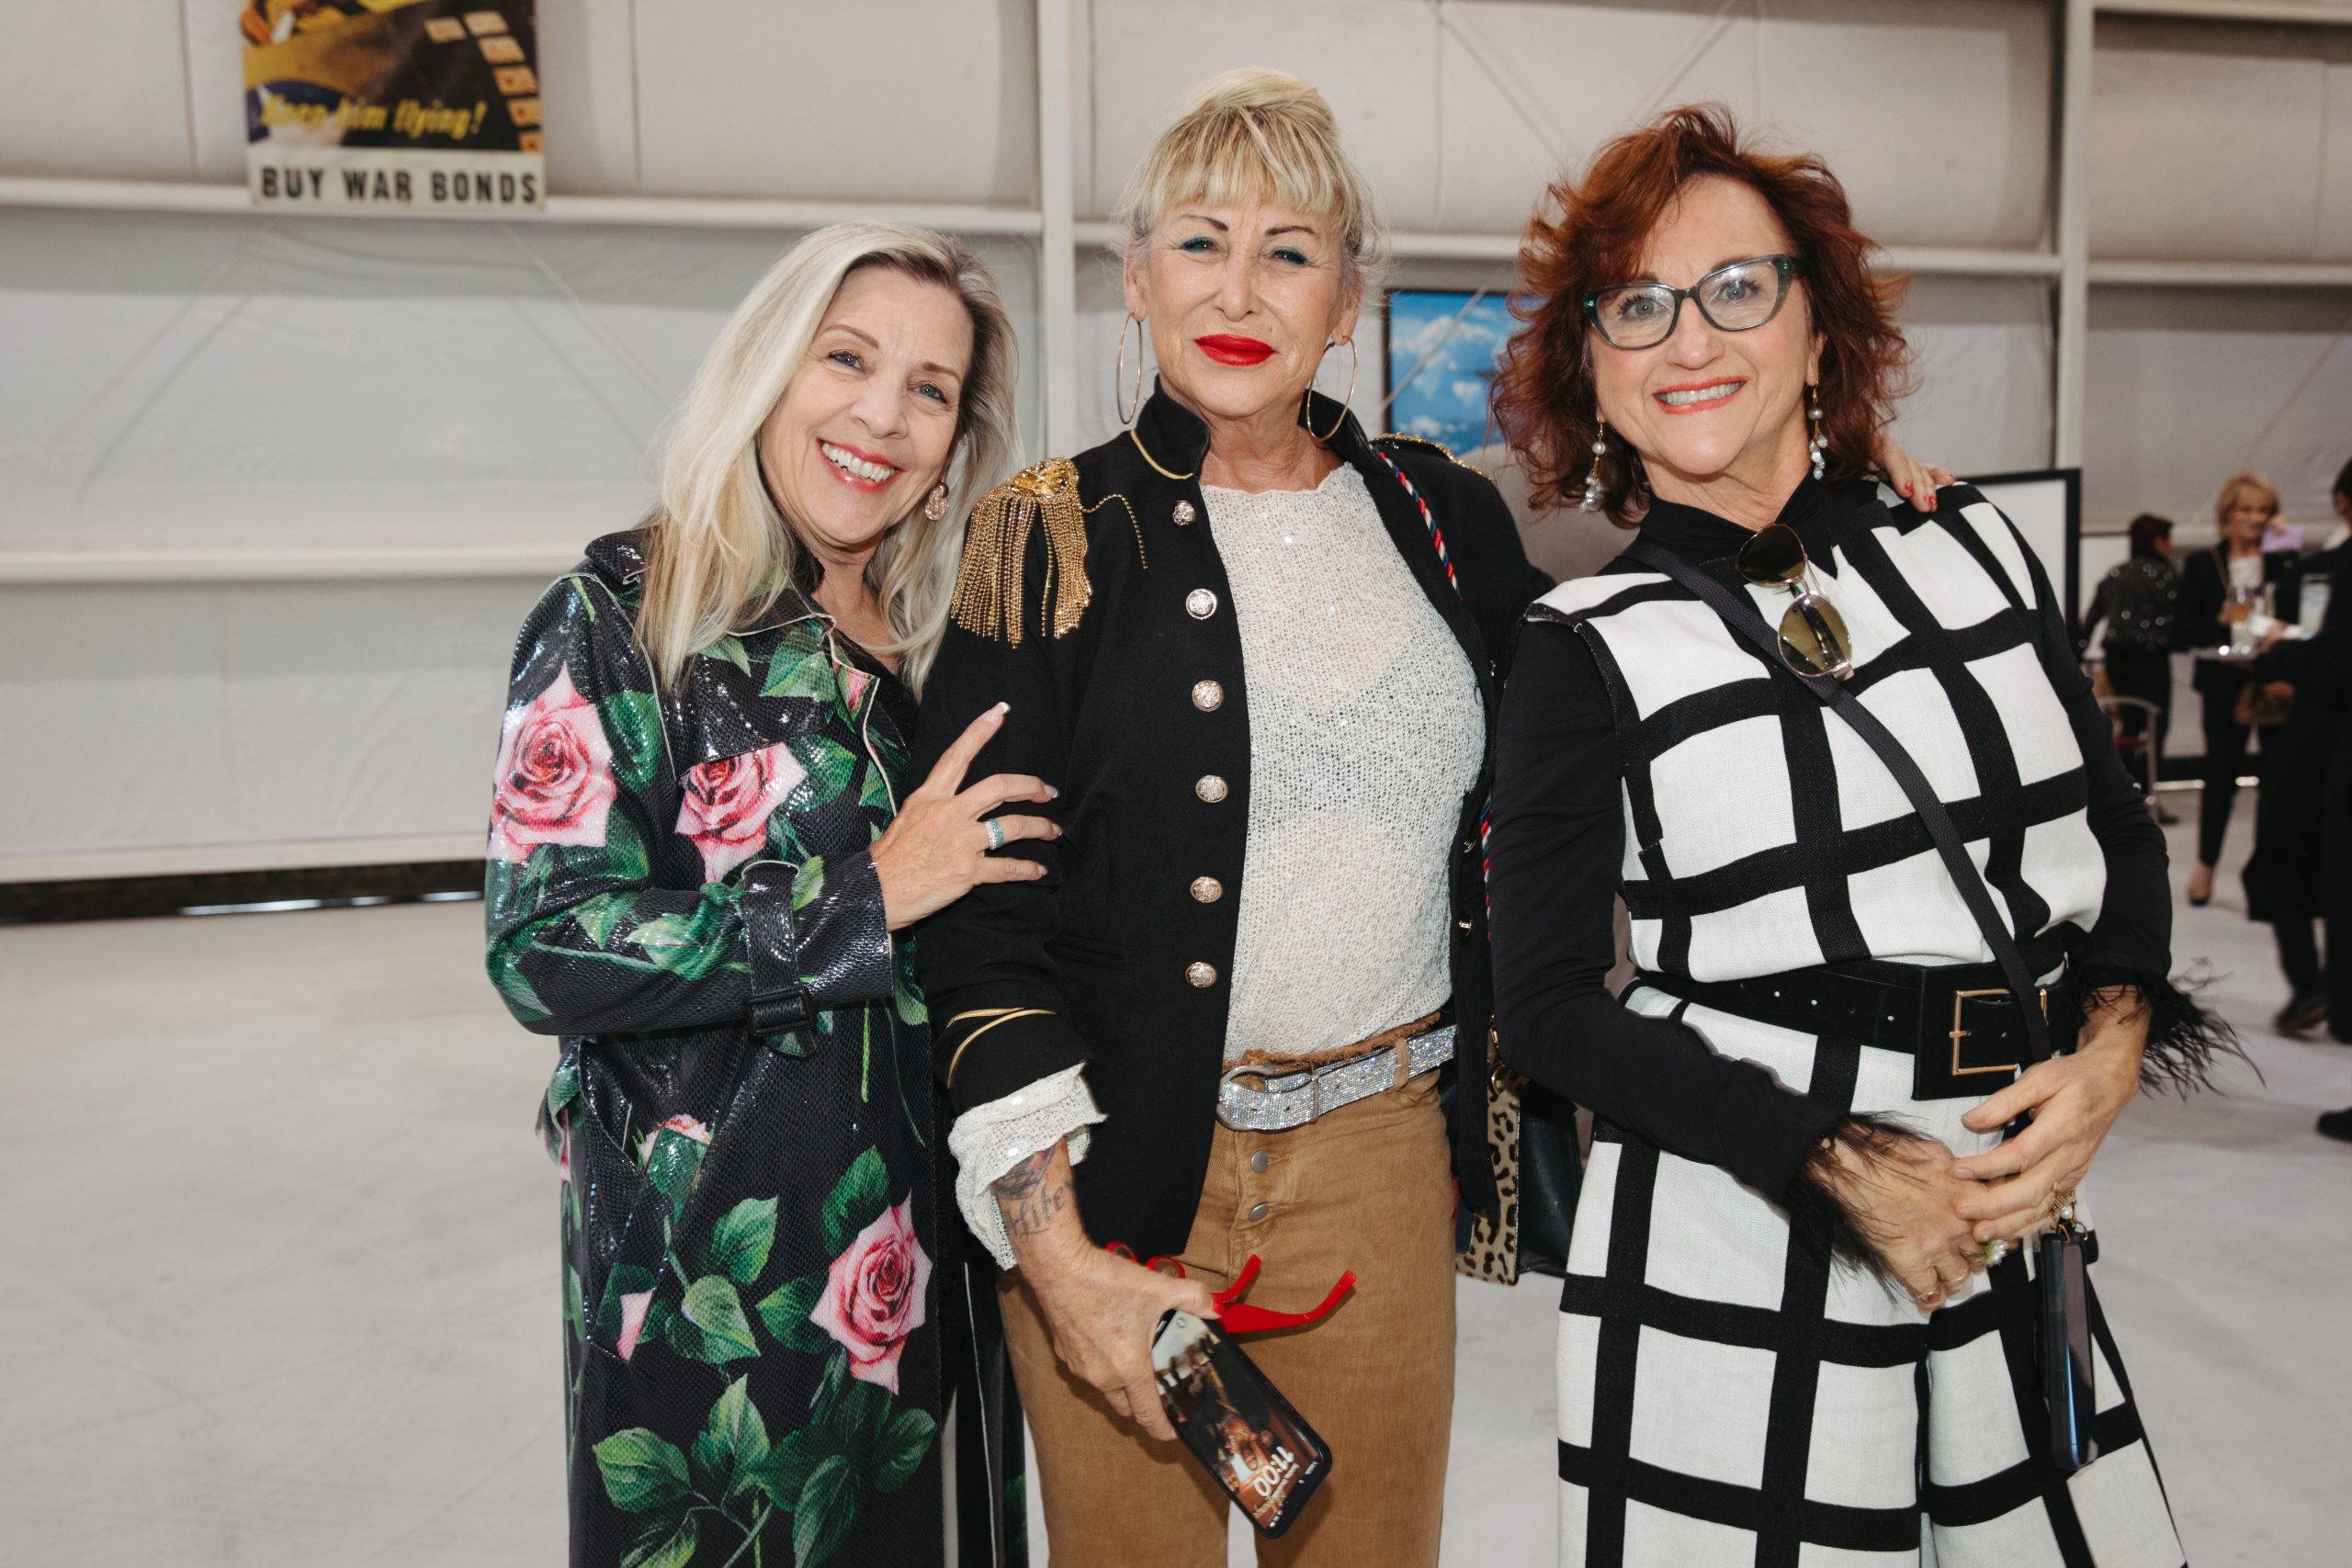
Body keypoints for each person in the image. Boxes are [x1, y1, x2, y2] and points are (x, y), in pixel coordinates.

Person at [1486, 106, 2222, 1565]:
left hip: (2005, 1203)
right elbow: (1549, 1006)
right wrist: (1834, 1160)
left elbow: (2116, 834)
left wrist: (2114, 1048)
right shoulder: (1583, 642)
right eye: (1636, 305)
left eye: (1735, 287)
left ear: (1819, 329)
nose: (1688, 337)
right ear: (1596, 370)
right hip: (1740, 1211)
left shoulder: (1976, 546)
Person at [910, 70, 1540, 1565]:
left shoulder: (1449, 520)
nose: (1239, 289)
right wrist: (1054, 1249)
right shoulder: (1042, 532)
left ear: (1346, 302)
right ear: (1137, 282)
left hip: (1383, 1159)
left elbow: (1583, 745)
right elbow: (983, 921)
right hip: (1116, 1169)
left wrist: (1836, 484)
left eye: (1289, 250)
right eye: (1199, 241)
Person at [481, 224, 1037, 1568]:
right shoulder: (624, 613)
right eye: (846, 359)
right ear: (767, 370)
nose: (881, 415)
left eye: (929, 388)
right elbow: (542, 943)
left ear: (955, 444)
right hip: (712, 1293)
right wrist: (863, 899)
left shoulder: (948, 648)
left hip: (928, 1261)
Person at [2177, 469, 2298, 905]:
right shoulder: (2202, 563)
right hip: (2224, 683)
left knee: (2278, 782)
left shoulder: (2282, 559)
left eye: (2263, 510)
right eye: (2246, 509)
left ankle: (2266, 875)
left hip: (2275, 680)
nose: (2255, 518)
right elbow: (2181, 631)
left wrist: (2286, 545)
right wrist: (2219, 619)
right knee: (2220, 779)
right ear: (2228, 514)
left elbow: (2305, 611)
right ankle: (2205, 866)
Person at [2079, 512, 2179, 786]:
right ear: (2158, 541)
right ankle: (2148, 787)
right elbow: (2179, 618)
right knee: (2157, 724)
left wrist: (2077, 651)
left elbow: (2092, 616)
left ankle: (2125, 787)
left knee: (2129, 724)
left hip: (2117, 658)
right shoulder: (2167, 574)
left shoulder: (2117, 573)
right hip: (2152, 658)